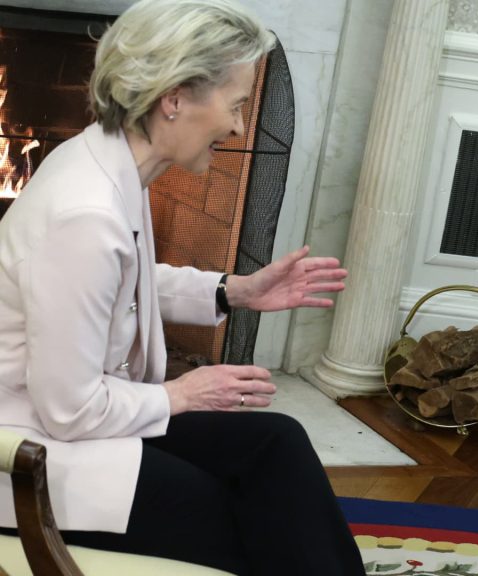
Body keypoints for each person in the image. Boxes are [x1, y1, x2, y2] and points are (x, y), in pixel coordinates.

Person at [0, 0, 366, 574]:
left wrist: (235, 291)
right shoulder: (86, 213)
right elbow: (69, 410)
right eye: (236, 104)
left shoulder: (107, 162)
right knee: (252, 516)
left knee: (276, 443)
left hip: (77, 425)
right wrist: (183, 393)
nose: (240, 126)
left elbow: (115, 282)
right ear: (173, 99)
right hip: (36, 456)